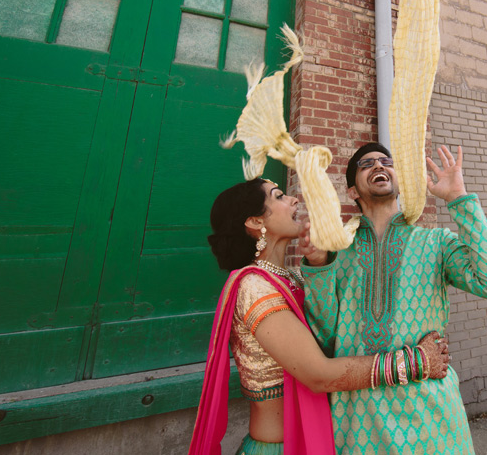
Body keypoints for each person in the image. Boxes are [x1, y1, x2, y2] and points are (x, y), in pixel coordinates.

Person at [189, 177, 451, 455]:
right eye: (278, 196)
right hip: (280, 448)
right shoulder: (253, 287)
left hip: (316, 440)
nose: (293, 199)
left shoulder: (295, 277)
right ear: (254, 222)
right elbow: (318, 374)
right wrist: (416, 362)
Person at [298, 143, 487, 454]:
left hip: (432, 424)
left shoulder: (436, 243)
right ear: (352, 192)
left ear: (399, 181)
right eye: (366, 164)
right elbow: (326, 337)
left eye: (387, 161)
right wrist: (319, 266)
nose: (379, 165)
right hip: (358, 426)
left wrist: (459, 200)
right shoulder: (335, 252)